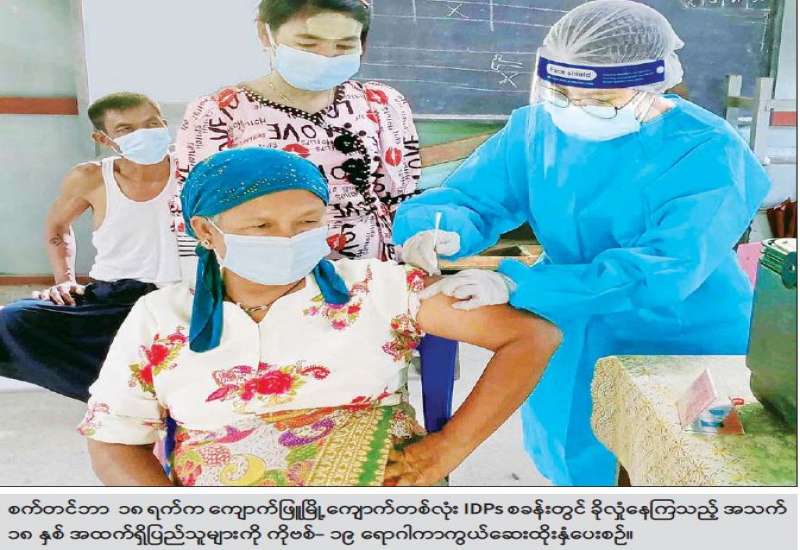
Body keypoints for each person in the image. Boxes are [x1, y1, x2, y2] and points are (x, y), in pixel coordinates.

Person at [392, 0, 771, 485]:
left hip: (680, 334)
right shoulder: (537, 129)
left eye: (602, 100)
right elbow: (472, 198)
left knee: (682, 471)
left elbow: (665, 267)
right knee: (579, 465)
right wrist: (437, 228)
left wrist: (518, 286)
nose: (576, 110)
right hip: (570, 326)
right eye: (561, 93)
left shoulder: (708, 150)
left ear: (656, 82)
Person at [78, 147, 561, 487]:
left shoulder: (377, 287)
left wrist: (448, 449)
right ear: (206, 231)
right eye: (261, 225)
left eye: (307, 222)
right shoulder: (161, 316)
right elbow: (114, 438)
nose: (288, 239)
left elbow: (530, 337)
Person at [175, 0, 420, 270]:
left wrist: (416, 250)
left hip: (371, 270)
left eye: (344, 46)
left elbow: (400, 198)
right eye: (308, 44)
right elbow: (195, 210)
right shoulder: (221, 112)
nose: (327, 57)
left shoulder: (381, 104)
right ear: (265, 33)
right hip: (270, 270)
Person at [0, 92, 181, 401]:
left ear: (165, 125)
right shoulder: (90, 177)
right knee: (10, 322)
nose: (144, 134)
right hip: (114, 296)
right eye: (126, 129)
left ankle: (148, 395)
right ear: (103, 138)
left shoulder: (195, 171)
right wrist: (65, 280)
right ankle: (113, 396)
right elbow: (57, 226)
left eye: (152, 124)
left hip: (183, 296)